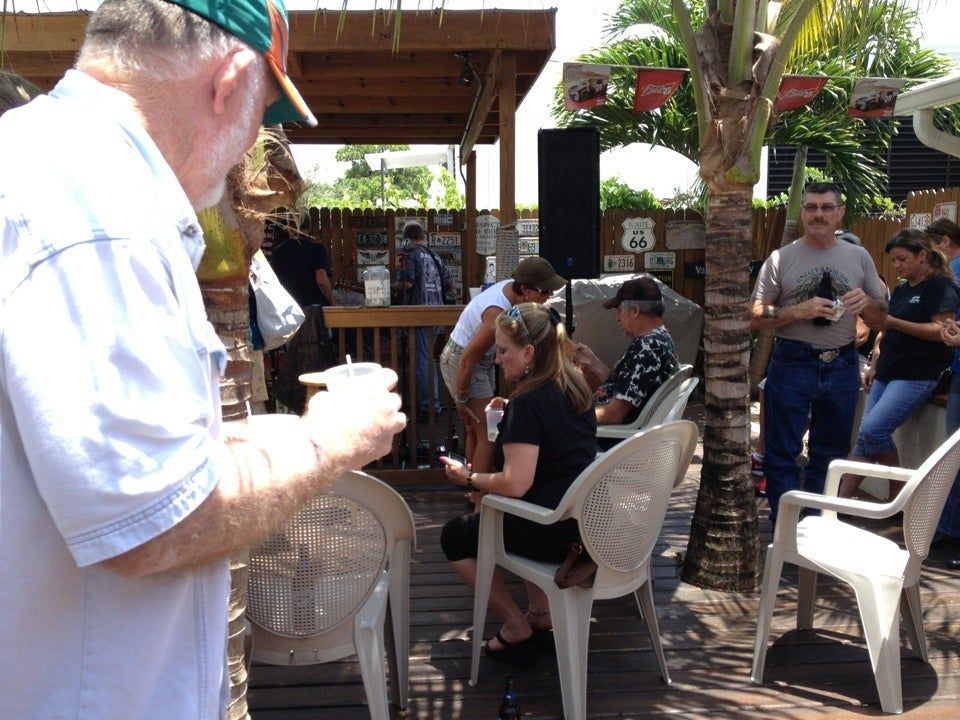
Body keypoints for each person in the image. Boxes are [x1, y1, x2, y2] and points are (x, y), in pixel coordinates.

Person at [0, 2, 406, 718]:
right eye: (265, 113)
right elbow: (155, 523)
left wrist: (264, 439)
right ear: (230, 79)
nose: (254, 144)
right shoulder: (101, 221)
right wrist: (331, 438)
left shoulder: (48, 166)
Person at [439, 303, 598, 663]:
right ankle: (539, 613)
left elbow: (515, 483)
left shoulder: (529, 403)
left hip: (550, 530)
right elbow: (554, 430)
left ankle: (515, 624)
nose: (496, 358)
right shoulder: (575, 386)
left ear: (528, 353)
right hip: (583, 523)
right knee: (514, 509)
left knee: (455, 537)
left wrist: (468, 476)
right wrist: (512, 408)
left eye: (504, 350)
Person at [750, 181, 888, 523]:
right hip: (793, 360)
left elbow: (882, 314)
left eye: (826, 207)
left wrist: (868, 305)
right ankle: (785, 526)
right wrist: (797, 311)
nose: (818, 214)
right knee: (782, 451)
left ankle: (813, 523)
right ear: (802, 213)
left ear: (839, 212)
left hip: (841, 363)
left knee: (831, 452)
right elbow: (753, 314)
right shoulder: (782, 258)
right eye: (811, 207)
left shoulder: (858, 256)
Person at [839, 230, 959, 497]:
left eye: (902, 259)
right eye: (894, 261)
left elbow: (940, 329)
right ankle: (836, 504)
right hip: (888, 370)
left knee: (872, 430)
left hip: (917, 373)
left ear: (923, 256)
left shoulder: (940, 287)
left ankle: (898, 493)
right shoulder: (904, 288)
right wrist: (874, 363)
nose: (897, 266)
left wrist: (893, 323)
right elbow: (885, 330)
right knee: (865, 437)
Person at [440, 256, 566, 473]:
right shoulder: (496, 314)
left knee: (475, 429)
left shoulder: (512, 290)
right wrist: (461, 400)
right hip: (464, 360)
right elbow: (467, 358)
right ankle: (480, 497)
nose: (549, 295)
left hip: (479, 359)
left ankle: (473, 491)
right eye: (544, 290)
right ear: (525, 289)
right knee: (488, 435)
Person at [573, 276, 680, 428]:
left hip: (611, 440)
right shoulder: (658, 340)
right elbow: (622, 387)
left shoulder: (647, 348)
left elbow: (614, 414)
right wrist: (593, 362)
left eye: (619, 310)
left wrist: (568, 418)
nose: (617, 318)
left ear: (635, 311)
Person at [395, 220, 453, 420]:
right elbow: (449, 283)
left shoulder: (411, 254)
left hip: (420, 314)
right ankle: (433, 403)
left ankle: (430, 407)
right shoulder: (435, 255)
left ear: (408, 239)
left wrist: (390, 286)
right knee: (428, 359)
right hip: (437, 313)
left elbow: (408, 282)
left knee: (422, 361)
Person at [271, 213, 337, 308]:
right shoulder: (317, 249)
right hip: (313, 308)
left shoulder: (279, 250)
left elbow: (276, 281)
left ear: (289, 226)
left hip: (289, 308)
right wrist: (332, 301)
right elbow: (321, 281)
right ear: (309, 227)